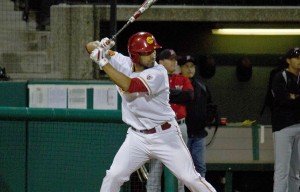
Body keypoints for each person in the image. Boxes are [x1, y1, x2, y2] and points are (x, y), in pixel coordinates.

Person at [85, 32, 216, 192]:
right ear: (134, 55)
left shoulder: (158, 72)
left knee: (190, 178)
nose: (152, 55)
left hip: (165, 135)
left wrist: (102, 61)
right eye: (146, 52)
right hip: (137, 137)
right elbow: (89, 47)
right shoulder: (123, 62)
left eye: (153, 50)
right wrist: (101, 46)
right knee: (114, 175)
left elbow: (130, 85)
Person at [146, 49, 194, 192]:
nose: (174, 62)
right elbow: (152, 95)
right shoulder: (154, 78)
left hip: (180, 126)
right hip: (159, 128)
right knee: (155, 171)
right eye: (170, 59)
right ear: (160, 62)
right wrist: (176, 94)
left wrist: (165, 93)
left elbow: (189, 96)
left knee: (179, 169)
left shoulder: (182, 79)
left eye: (175, 59)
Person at [178, 55, 216, 178]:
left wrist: (208, 118)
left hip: (199, 135)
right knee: (182, 168)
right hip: (183, 134)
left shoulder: (202, 86)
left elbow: (210, 105)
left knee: (200, 168)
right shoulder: (176, 86)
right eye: (186, 66)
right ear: (180, 68)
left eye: (192, 66)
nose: (190, 69)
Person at [271, 47, 300, 192]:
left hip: (299, 126)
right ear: (288, 60)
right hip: (283, 127)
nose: (299, 60)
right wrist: (291, 98)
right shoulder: (280, 76)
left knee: (296, 172)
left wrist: (294, 97)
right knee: (282, 170)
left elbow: (289, 99)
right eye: (296, 57)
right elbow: (282, 100)